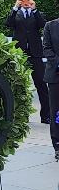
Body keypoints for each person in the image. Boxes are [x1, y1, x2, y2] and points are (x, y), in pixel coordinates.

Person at [7, 0, 50, 124]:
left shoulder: (37, 14)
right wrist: (15, 8)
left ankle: (46, 115)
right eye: (23, 0)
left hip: (35, 54)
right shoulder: (16, 13)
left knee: (42, 85)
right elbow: (8, 24)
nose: (26, 2)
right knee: (18, 85)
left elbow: (44, 25)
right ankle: (18, 115)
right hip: (19, 54)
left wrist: (34, 10)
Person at [43, 15, 59, 160]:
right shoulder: (50, 25)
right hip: (55, 76)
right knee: (56, 112)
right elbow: (47, 48)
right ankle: (57, 144)